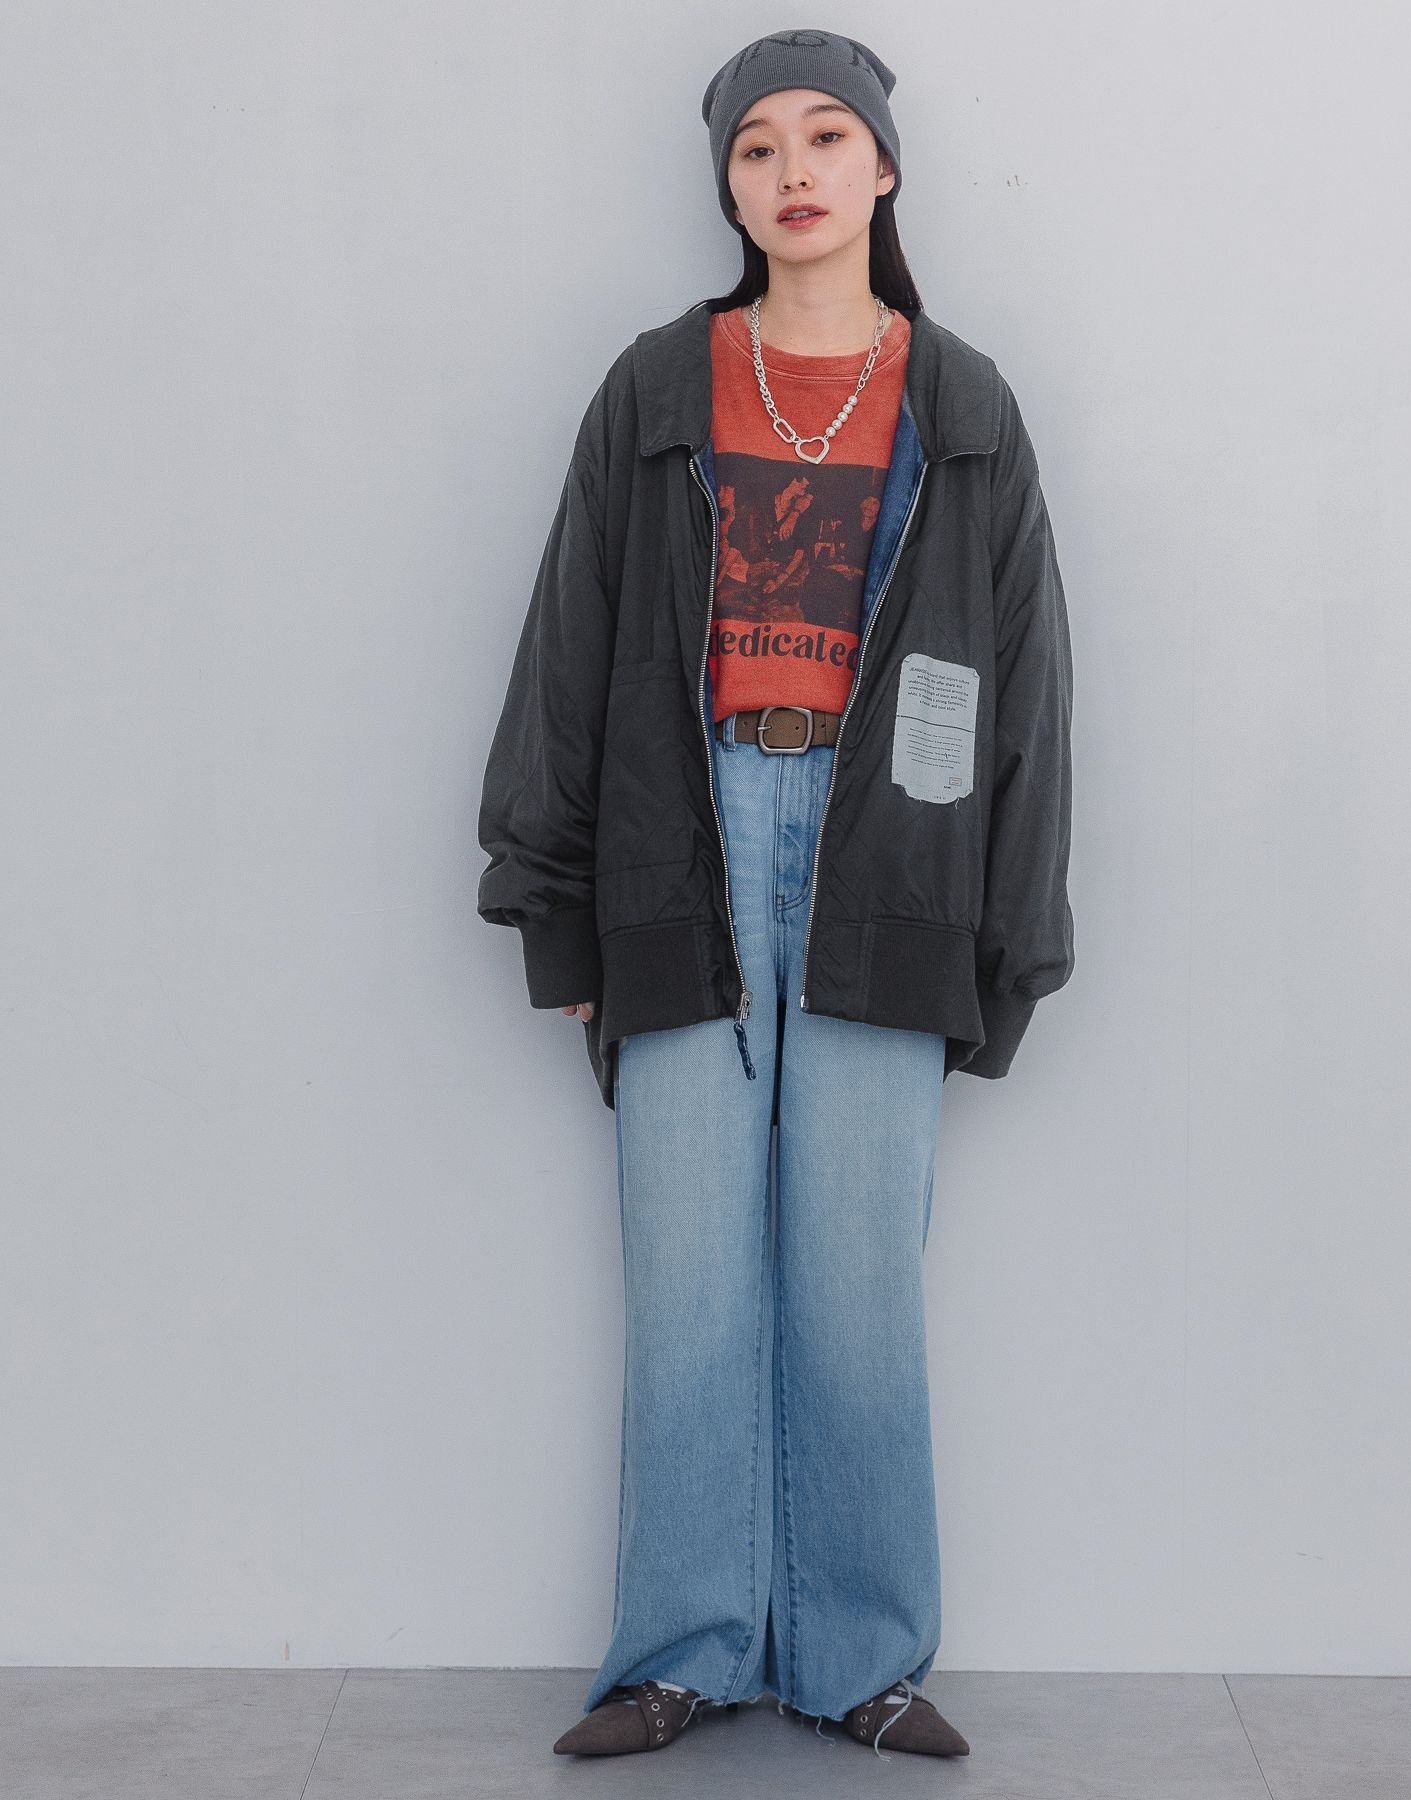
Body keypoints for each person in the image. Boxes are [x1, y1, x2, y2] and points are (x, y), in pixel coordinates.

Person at [476, 28, 1076, 1764]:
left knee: (859, 1283)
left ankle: (861, 1657)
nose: (794, 170)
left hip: (894, 855)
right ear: (728, 187)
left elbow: (1025, 685)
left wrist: (1008, 940)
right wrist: (560, 902)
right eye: (757, 146)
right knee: (687, 1280)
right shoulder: (657, 385)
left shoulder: (963, 402)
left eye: (827, 137)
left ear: (885, 168)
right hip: (687, 838)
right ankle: (679, 1649)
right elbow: (573, 641)